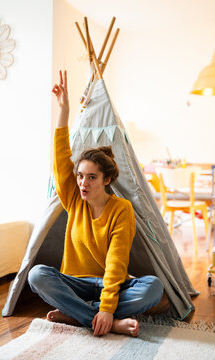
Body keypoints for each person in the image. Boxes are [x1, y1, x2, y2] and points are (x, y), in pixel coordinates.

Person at [28, 70, 164, 337]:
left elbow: (116, 261)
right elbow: (60, 159)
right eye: (80, 176)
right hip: (76, 283)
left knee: (153, 287)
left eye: (91, 177)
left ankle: (79, 315)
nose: (83, 183)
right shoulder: (73, 199)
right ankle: (105, 322)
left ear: (107, 179)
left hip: (113, 285)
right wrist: (63, 111)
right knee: (37, 275)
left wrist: (108, 304)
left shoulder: (121, 209)